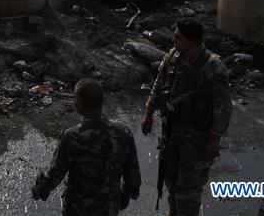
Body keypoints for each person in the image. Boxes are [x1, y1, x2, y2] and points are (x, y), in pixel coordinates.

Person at [141, 18, 231, 216]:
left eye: (178, 38)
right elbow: (158, 85)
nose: (174, 41)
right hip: (172, 132)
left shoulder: (213, 67)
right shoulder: (173, 56)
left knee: (189, 187)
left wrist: (215, 138)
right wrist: (148, 113)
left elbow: (223, 106)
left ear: (192, 41)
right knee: (170, 178)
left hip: (197, 138)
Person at [31, 79, 140, 216]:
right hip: (109, 208)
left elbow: (56, 172)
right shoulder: (124, 132)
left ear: (81, 104)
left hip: (77, 208)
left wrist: (39, 189)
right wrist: (128, 194)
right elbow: (132, 174)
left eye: (75, 98)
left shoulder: (72, 136)